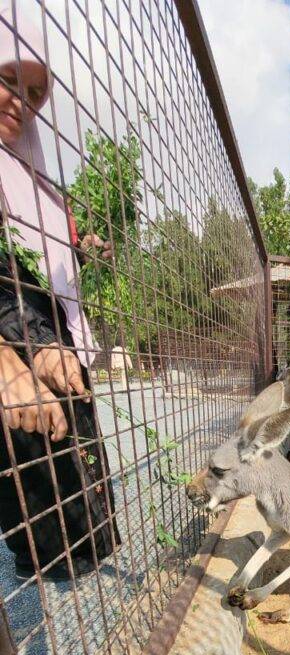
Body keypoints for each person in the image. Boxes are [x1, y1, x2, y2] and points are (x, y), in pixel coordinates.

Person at [0, 9, 120, 581]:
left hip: (47, 327)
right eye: (6, 80)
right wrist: (6, 358)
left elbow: (52, 247)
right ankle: (43, 562)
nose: (21, 102)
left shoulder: (33, 176)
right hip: (11, 334)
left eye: (34, 92)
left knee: (79, 444)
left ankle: (91, 550)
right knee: (30, 460)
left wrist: (85, 242)